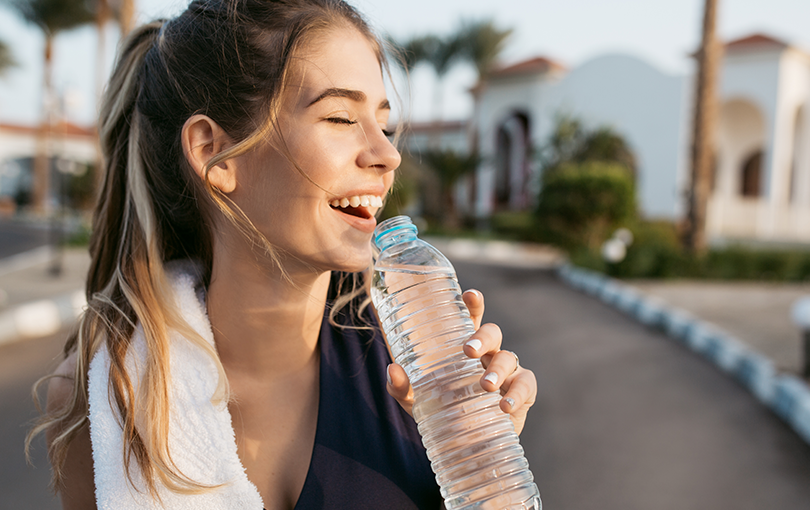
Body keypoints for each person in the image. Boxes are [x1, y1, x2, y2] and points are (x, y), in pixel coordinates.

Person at [28, 0, 538, 508]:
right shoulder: (109, 398)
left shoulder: (413, 377)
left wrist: (484, 469)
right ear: (212, 153)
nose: (387, 154)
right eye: (340, 117)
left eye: (383, 124)